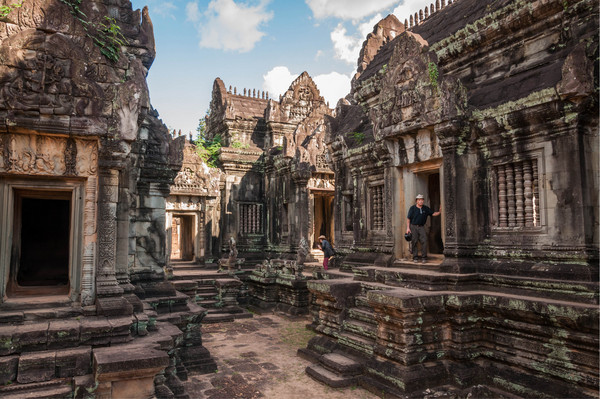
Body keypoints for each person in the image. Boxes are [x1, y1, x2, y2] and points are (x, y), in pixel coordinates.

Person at [406, 194, 441, 263]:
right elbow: (408, 218)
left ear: (423, 200)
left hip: (421, 227)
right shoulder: (412, 208)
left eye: (422, 200)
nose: (421, 201)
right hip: (413, 226)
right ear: (416, 201)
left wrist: (440, 212)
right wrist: (408, 228)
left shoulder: (425, 208)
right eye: (419, 200)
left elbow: (433, 213)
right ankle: (415, 257)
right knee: (414, 241)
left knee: (424, 241)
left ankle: (424, 257)